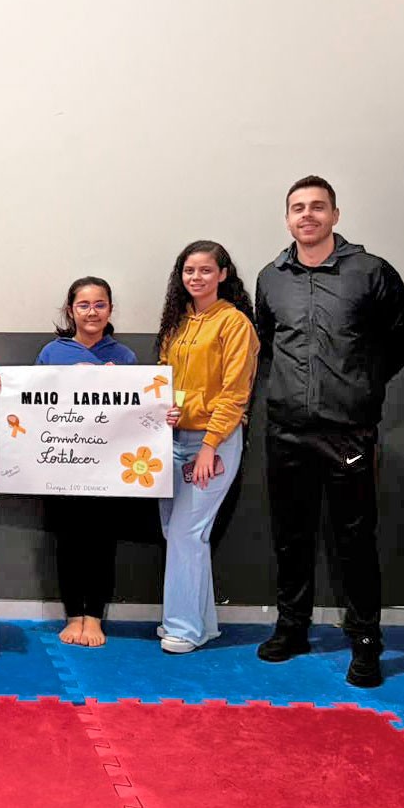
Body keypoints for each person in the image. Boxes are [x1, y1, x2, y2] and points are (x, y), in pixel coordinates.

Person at [254, 175, 404, 687]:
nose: (307, 215)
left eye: (317, 206)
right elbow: (268, 340)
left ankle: (366, 640)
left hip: (348, 432)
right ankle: (292, 628)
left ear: (335, 215)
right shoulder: (270, 278)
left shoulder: (371, 272)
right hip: (286, 430)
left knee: (354, 539)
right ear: (288, 218)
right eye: (298, 208)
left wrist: (363, 381)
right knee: (291, 536)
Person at [0, 276, 139, 647]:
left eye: (100, 304)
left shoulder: (124, 357)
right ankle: (74, 615)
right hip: (61, 468)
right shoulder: (52, 353)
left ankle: (95, 618)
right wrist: (6, 388)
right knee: (69, 543)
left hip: (108, 471)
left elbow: (138, 413)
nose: (92, 312)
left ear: (110, 309)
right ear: (70, 310)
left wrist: (162, 413)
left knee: (102, 545)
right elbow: (31, 403)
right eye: (83, 305)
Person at [154, 242, 258, 654]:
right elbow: (163, 378)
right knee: (179, 534)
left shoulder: (235, 324)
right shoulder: (177, 323)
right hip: (173, 440)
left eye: (205, 270)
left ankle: (182, 628)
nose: (196, 278)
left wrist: (210, 445)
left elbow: (235, 394)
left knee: (187, 533)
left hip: (213, 442)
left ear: (223, 274)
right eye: (189, 270)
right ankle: (203, 623)